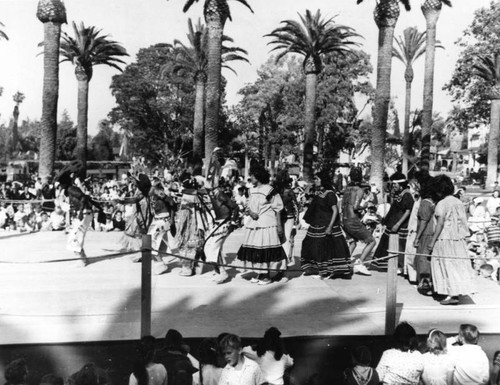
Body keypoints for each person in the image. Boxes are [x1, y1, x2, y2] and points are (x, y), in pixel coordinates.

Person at [427, 175, 477, 305]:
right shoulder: (458, 202)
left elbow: (440, 224)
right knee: (456, 266)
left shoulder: (441, 204)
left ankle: (451, 294)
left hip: (445, 239)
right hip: (458, 239)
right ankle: (456, 292)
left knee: (445, 265)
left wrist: (432, 242)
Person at [237, 165, 287, 285]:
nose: (251, 178)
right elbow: (248, 205)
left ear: (258, 177)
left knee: (265, 249)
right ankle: (260, 272)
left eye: (252, 176)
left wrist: (279, 226)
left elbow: (278, 209)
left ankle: (266, 276)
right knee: (255, 249)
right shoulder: (250, 191)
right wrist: (249, 212)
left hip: (267, 225)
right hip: (254, 224)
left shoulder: (269, 190)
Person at [301, 170, 352, 279]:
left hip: (327, 226)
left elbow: (335, 211)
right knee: (311, 246)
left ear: (323, 180)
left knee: (325, 249)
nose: (315, 181)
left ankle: (326, 272)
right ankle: (320, 270)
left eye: (317, 179)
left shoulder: (330, 194)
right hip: (317, 225)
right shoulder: (319, 192)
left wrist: (329, 227)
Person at [372, 177, 414, 272]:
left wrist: (397, 224)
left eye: (395, 184)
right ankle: (388, 265)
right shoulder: (399, 193)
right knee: (387, 243)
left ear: (401, 185)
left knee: (399, 246)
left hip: (400, 224)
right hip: (393, 222)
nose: (393, 186)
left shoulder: (407, 195)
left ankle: (399, 266)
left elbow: (408, 211)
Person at [203, 178, 239, 284]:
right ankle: (218, 271)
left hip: (225, 223)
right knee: (208, 246)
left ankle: (222, 272)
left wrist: (232, 222)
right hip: (218, 223)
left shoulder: (220, 194)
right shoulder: (212, 194)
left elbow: (235, 207)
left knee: (214, 246)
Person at [341, 168, 376, 276]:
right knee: (372, 241)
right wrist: (365, 205)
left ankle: (343, 263)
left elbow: (343, 204)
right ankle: (360, 263)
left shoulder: (346, 189)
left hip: (344, 218)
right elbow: (356, 207)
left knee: (352, 242)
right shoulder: (359, 190)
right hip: (352, 219)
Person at [413, 176, 435, 295]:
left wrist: (417, 237)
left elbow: (424, 221)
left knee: (423, 259)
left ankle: (425, 284)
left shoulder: (425, 202)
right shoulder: (433, 201)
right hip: (432, 233)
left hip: (426, 233)